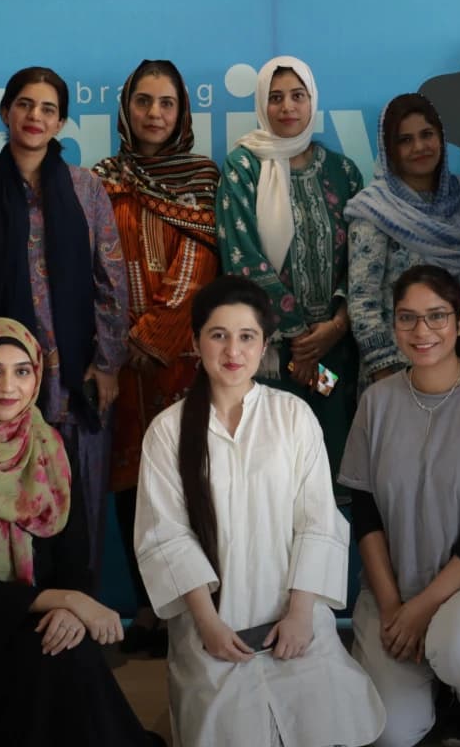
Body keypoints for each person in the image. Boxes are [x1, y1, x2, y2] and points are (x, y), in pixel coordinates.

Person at [135, 275, 385, 746]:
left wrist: (300, 614)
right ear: (195, 342)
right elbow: (165, 536)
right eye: (218, 335)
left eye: (247, 336)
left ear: (265, 343)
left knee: (325, 725)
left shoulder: (293, 416)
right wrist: (207, 625)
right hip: (215, 632)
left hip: (295, 622)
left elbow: (317, 518)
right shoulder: (167, 432)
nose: (233, 350)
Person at [0, 318, 161, 747]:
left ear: (37, 377)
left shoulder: (50, 449)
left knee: (64, 647)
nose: (9, 386)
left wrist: (68, 608)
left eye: (22, 371)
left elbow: (75, 559)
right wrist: (67, 601)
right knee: (58, 655)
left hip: (39, 618)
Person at [341, 265, 460, 747]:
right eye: (407, 318)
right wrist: (392, 606)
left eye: (436, 317)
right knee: (391, 734)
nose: (421, 332)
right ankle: (428, 686)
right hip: (394, 584)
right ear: (392, 325)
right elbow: (363, 511)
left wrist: (422, 609)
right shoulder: (376, 401)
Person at [91, 59, 222, 657]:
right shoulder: (102, 179)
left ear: (182, 113)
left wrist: (159, 331)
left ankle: (198, 608)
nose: (153, 114)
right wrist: (120, 341)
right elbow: (94, 266)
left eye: (165, 103)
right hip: (118, 366)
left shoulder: (202, 178)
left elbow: (200, 261)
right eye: (142, 101)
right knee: (131, 487)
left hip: (185, 363)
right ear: (125, 108)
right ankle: (149, 611)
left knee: (190, 481)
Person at [0, 66, 127, 577]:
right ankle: (26, 634)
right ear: (5, 113)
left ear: (61, 121)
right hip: (7, 384)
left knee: (81, 502)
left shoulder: (86, 189)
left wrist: (106, 364)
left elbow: (111, 279)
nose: (34, 117)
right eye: (24, 105)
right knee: (16, 506)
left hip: (78, 378)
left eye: (47, 109)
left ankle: (81, 627)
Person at [216, 56, 364, 475]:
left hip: (334, 354)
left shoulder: (342, 171)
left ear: (312, 100)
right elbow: (241, 255)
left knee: (333, 459)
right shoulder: (243, 167)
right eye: (275, 97)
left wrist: (335, 326)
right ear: (263, 104)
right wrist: (298, 341)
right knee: (275, 467)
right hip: (272, 355)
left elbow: (362, 256)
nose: (287, 108)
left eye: (297, 96)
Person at [346, 94, 460, 386]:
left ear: (441, 138)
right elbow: (362, 300)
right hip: (400, 370)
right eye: (405, 140)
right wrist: (386, 372)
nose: (419, 147)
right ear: (388, 149)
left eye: (427, 135)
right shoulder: (375, 210)